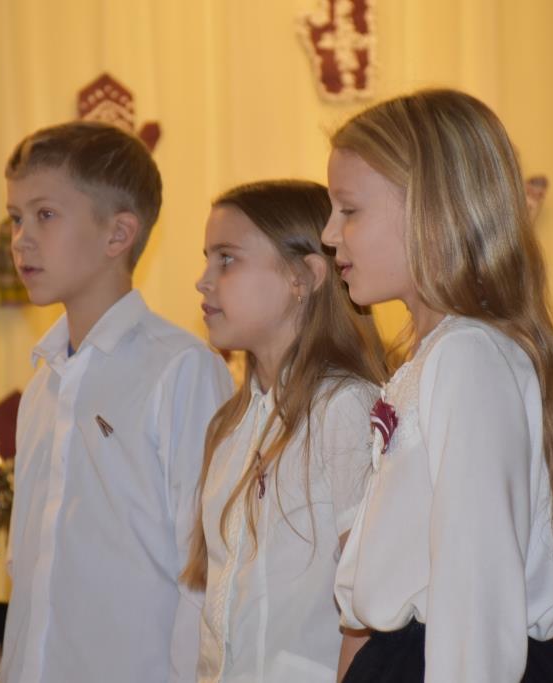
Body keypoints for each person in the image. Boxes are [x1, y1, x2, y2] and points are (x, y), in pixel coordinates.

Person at [325, 89, 553, 683]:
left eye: (349, 210)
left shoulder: (468, 356)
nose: (329, 233)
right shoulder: (435, 358)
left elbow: (475, 583)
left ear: (431, 212)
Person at [0, 121, 233, 683]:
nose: (21, 239)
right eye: (14, 218)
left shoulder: (181, 370)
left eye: (44, 215)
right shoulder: (43, 385)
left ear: (118, 233)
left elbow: (204, 573)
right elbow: (28, 573)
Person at [182, 179, 388, 682]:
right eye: (207, 259)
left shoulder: (345, 409)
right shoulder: (229, 426)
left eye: (227, 259)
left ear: (304, 276)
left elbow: (368, 611)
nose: (203, 281)